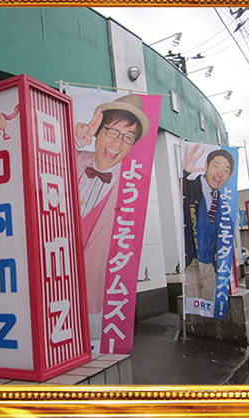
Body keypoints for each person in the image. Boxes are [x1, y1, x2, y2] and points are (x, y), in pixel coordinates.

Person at [73, 95, 150, 342]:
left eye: (128, 137)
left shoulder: (136, 186)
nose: (118, 142)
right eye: (113, 131)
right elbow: (33, 159)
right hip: (54, 284)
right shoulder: (71, 158)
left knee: (93, 351)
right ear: (98, 131)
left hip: (96, 297)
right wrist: (73, 137)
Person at [182, 143, 235, 301]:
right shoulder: (190, 187)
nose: (219, 173)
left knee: (210, 305)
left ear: (229, 177)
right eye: (216, 166)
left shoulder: (224, 204)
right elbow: (175, 190)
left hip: (211, 265)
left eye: (226, 171)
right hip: (190, 262)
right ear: (206, 166)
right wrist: (185, 172)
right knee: (193, 305)